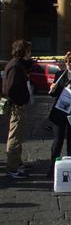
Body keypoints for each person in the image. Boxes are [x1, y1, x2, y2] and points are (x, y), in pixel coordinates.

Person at [2, 39, 33, 179]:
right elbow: (10, 89)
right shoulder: (15, 66)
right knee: (14, 136)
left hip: (17, 105)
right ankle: (12, 167)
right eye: (29, 50)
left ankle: (17, 162)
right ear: (24, 51)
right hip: (16, 106)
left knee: (18, 135)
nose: (30, 53)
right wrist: (19, 102)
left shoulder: (17, 64)